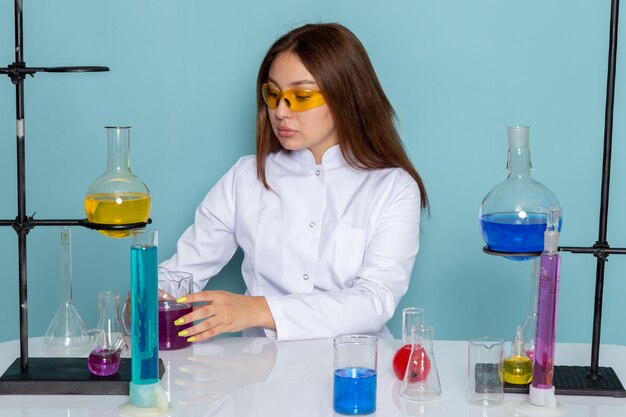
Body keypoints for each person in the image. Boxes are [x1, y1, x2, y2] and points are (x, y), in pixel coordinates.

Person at [159, 22, 428, 342]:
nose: (280, 112)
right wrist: (153, 295)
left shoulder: (393, 187)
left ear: (345, 96)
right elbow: (181, 272)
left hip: (353, 371)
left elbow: (375, 300)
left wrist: (258, 310)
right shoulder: (245, 177)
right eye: (273, 94)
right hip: (259, 375)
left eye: (301, 96)